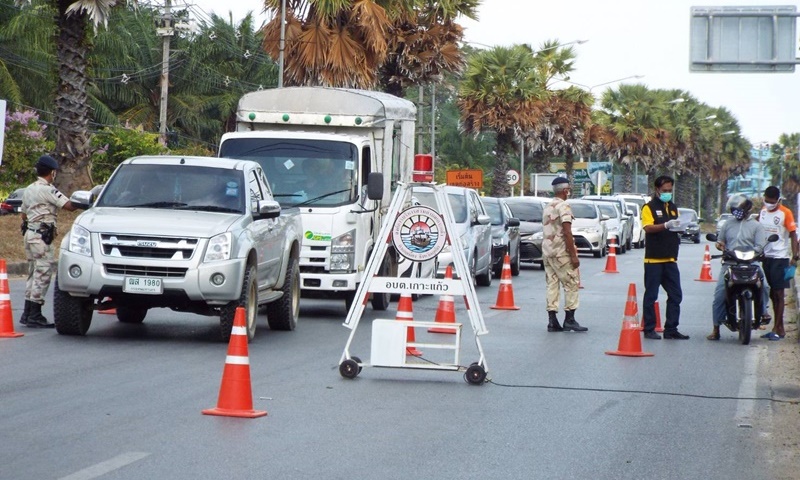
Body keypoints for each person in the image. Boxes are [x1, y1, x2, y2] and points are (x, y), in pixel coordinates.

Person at [19, 155, 80, 328]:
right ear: (52, 173)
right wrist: (85, 201)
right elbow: (69, 206)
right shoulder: (49, 190)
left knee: (32, 272)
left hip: (29, 234)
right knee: (43, 273)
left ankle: (27, 312)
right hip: (41, 237)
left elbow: (23, 215)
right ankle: (36, 314)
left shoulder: (29, 189)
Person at [708, 194, 768, 341]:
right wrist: (719, 245)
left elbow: (760, 246)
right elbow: (720, 241)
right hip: (730, 263)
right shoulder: (728, 224)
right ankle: (716, 328)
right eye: (735, 209)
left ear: (747, 208)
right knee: (720, 294)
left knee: (765, 286)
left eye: (740, 208)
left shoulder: (756, 226)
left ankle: (763, 311)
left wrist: (756, 252)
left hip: (751, 263)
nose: (737, 211)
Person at [640, 175, 689, 340]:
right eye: (664, 191)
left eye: (670, 190)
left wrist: (679, 227)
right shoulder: (649, 207)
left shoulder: (673, 207)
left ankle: (671, 329)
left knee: (676, 295)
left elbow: (675, 225)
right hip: (654, 260)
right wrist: (666, 225)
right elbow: (647, 227)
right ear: (657, 190)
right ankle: (649, 329)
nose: (667, 193)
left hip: (670, 259)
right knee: (651, 295)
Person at [542, 176, 587, 332]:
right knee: (571, 283)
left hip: (548, 252)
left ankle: (552, 320)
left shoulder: (548, 206)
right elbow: (567, 232)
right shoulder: (564, 206)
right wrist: (573, 255)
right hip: (562, 252)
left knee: (552, 284)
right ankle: (570, 319)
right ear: (565, 190)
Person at [757, 186, 797, 340]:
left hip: (780, 258)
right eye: (766, 201)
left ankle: (778, 328)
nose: (769, 204)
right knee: (772, 293)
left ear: (778, 200)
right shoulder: (763, 212)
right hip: (765, 257)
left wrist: (795, 256)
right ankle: (778, 327)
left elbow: (793, 235)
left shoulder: (785, 213)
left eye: (772, 202)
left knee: (779, 293)